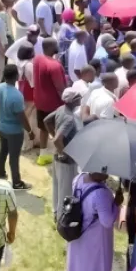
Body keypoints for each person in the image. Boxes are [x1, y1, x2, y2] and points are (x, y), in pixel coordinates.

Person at [64, 172, 122, 271]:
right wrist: (116, 205)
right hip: (95, 245)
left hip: (78, 238)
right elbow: (107, 221)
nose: (107, 173)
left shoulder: (78, 178)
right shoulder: (102, 194)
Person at [43, 87, 81, 219]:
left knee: (57, 185)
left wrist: (53, 136)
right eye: (78, 97)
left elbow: (46, 121)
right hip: (66, 159)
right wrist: (62, 153)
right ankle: (62, 218)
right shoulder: (69, 118)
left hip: (58, 156)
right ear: (73, 100)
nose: (80, 99)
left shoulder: (61, 109)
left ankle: (56, 212)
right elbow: (58, 139)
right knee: (66, 190)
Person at [0, 64, 33, 189]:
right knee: (14, 157)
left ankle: (0, 174)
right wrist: (29, 130)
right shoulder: (17, 96)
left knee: (3, 151)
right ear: (16, 76)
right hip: (14, 131)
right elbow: (21, 117)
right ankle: (16, 182)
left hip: (1, 126)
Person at [33, 37, 67, 166]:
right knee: (59, 130)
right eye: (55, 45)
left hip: (40, 101)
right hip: (54, 104)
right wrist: (67, 101)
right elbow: (60, 88)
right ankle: (61, 154)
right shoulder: (54, 65)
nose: (57, 46)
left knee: (43, 128)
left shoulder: (38, 59)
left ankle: (42, 155)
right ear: (50, 48)